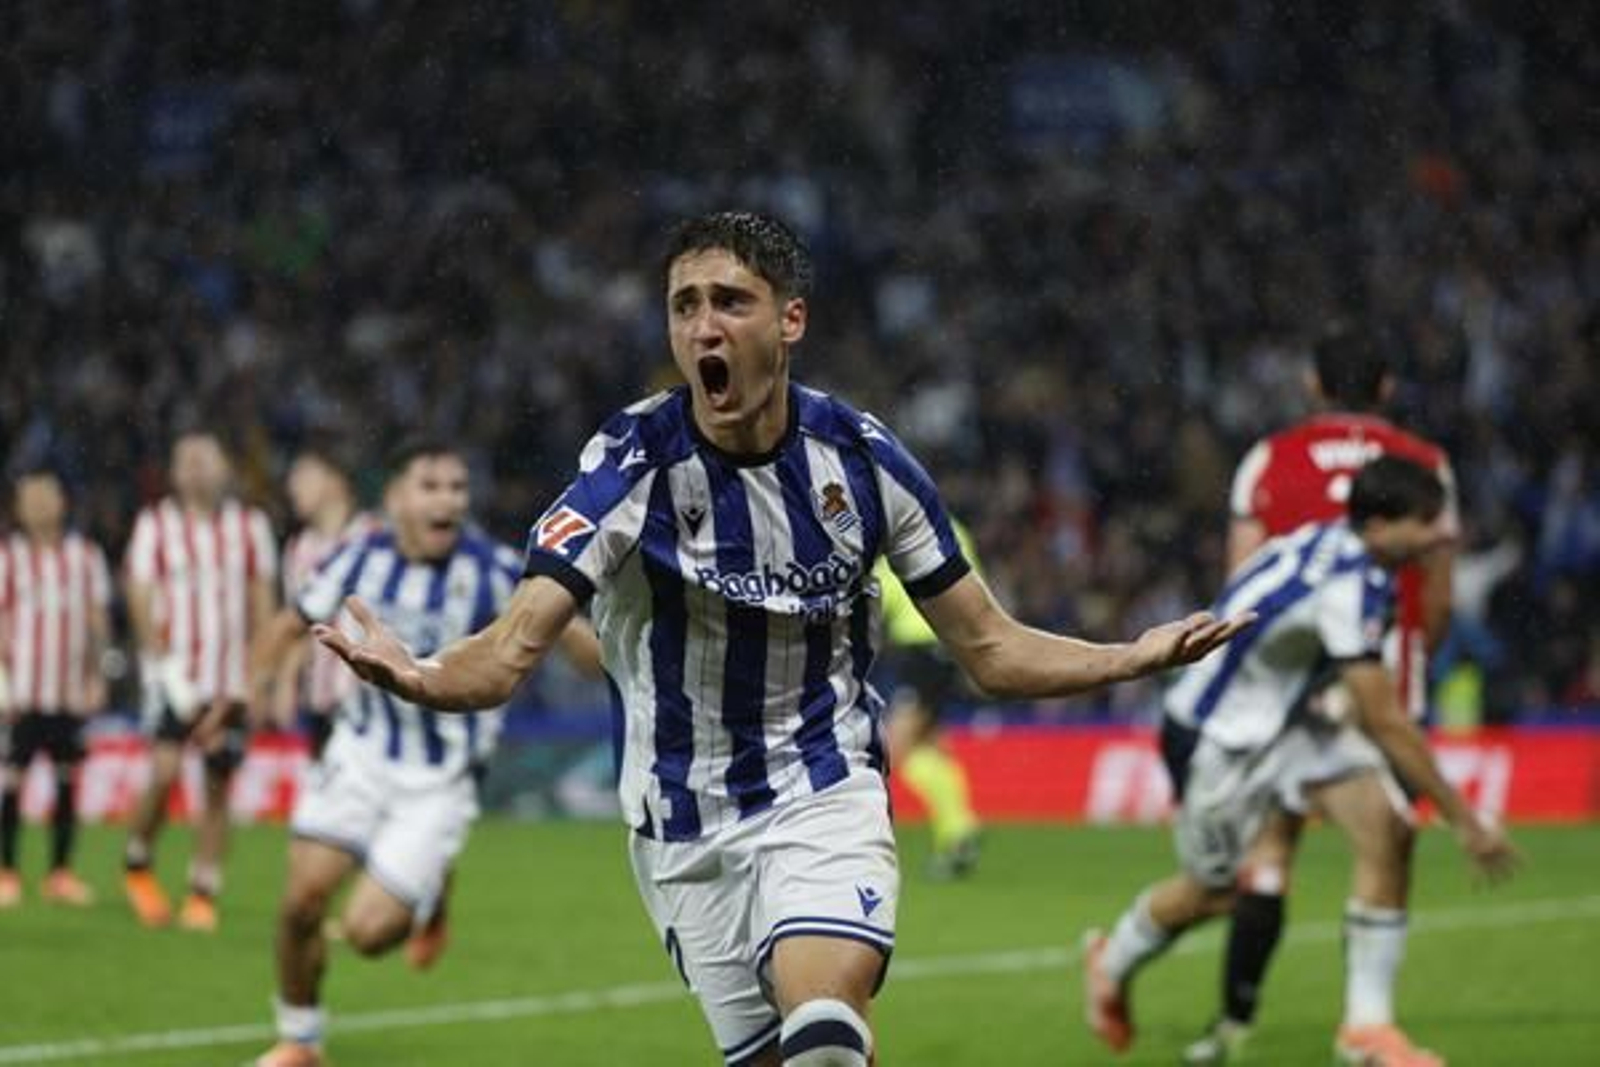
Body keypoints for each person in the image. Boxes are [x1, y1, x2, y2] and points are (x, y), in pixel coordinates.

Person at [314, 211, 1250, 1067]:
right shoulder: (628, 468)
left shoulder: (867, 466)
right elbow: (517, 643)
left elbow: (991, 647)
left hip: (821, 787)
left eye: (731, 301)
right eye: (684, 306)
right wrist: (424, 674)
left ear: (789, 322)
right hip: (678, 825)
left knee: (827, 1032)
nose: (703, 327)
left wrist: (1132, 654)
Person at [1084, 457, 1516, 1067]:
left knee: (1389, 831)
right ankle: (1113, 960)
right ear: (1385, 524)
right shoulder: (1349, 585)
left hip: (1286, 722)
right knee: (1212, 893)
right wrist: (1466, 821)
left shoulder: (1336, 543)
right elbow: (1386, 721)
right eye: (1427, 523)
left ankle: (1366, 1028)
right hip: (1216, 736)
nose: (1442, 535)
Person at [252, 439, 601, 1067]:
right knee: (301, 901)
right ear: (395, 499)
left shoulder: (494, 567)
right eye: (431, 485)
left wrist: (630, 668)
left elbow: (568, 633)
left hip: (439, 780)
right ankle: (300, 1039)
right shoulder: (357, 558)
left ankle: (429, 892)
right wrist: (244, 690)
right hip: (359, 754)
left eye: (457, 488)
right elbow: (289, 621)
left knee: (366, 935)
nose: (449, 500)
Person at [1182, 322, 1459, 1064]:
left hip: (1283, 686)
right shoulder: (1426, 464)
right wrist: (1416, 656)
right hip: (1381, 673)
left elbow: (1238, 591)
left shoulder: (1269, 458)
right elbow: (1436, 592)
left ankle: (1232, 1023)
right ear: (1389, 388)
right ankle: (1368, 1022)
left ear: (1313, 384)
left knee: (1271, 854)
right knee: (1388, 839)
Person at [121, 430, 278, 931]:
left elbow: (262, 600)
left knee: (216, 782)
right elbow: (141, 596)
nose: (195, 469)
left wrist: (260, 676)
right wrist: (162, 666)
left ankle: (203, 890)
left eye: (204, 459)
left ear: (224, 468)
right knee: (165, 771)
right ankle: (138, 858)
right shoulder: (156, 526)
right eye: (185, 460)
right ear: (173, 471)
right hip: (175, 677)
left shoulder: (250, 526)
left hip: (229, 679)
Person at [0, 468, 112, 908]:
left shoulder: (84, 557)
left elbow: (97, 621)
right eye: (31, 498)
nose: (40, 505)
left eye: (47, 496)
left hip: (68, 691)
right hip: (22, 691)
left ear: (62, 502)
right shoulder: (8, 557)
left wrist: (98, 675)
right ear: (19, 508)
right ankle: (7, 871)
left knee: (69, 782)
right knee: (11, 782)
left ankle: (60, 873)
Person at [874, 518, 982, 879]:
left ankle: (868, 848)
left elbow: (884, 588)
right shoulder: (955, 528)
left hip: (922, 647)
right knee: (928, 745)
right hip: (947, 646)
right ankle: (959, 831)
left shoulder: (898, 526)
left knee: (893, 748)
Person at [260, 447, 374, 759]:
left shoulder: (375, 538)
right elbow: (299, 625)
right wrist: (285, 680)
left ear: (335, 482)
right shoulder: (299, 549)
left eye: (304, 476)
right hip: (321, 701)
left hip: (371, 699)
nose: (292, 485)